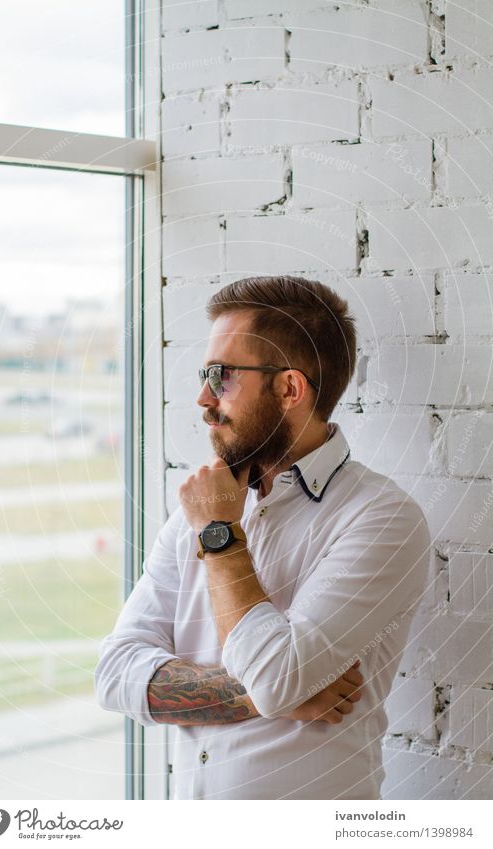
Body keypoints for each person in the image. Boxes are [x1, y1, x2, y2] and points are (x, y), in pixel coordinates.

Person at [95, 275, 430, 800]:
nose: (202, 397)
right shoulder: (205, 502)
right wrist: (255, 696)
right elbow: (114, 674)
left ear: (289, 388)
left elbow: (276, 677)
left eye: (220, 376)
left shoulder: (382, 520)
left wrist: (222, 535)